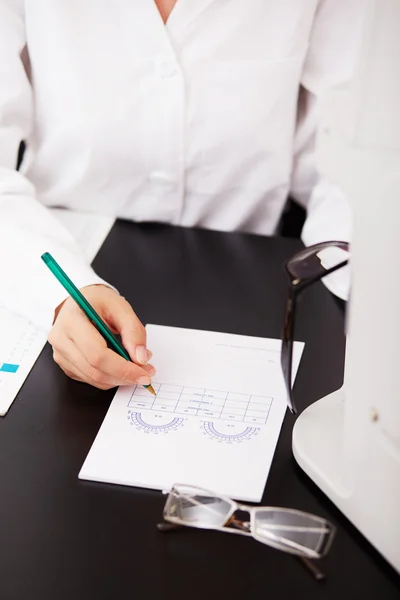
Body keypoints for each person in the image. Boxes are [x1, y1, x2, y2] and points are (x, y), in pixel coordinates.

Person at [0, 0, 361, 390]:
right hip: (53, 259)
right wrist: (55, 292)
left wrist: (368, 279)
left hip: (250, 280)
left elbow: (355, 157)